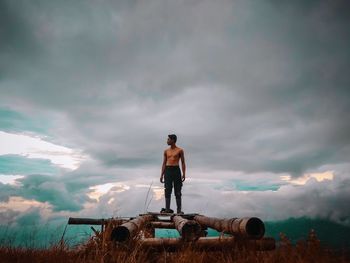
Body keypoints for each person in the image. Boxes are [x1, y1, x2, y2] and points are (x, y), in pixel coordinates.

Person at [160, 134, 186, 214]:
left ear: (173, 140)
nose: (167, 141)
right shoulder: (166, 151)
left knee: (177, 190)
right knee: (167, 190)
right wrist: (161, 174)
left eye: (168, 139)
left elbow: (183, 163)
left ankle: (179, 210)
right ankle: (167, 209)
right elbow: (164, 163)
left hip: (176, 170)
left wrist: (184, 173)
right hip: (168, 170)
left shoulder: (180, 150)